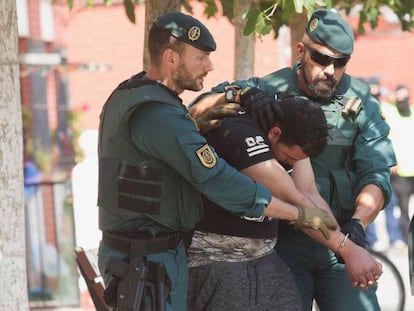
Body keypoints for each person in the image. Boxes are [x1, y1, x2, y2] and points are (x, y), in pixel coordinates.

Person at [96, 12, 336, 311]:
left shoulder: (133, 94)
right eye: (200, 58)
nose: (209, 66)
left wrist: (196, 125)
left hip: (149, 253)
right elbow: (219, 180)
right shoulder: (157, 114)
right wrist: (296, 214)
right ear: (171, 58)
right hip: (145, 260)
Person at [190, 8, 396, 311]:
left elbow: (376, 172)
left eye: (341, 63)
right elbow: (195, 112)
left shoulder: (361, 101)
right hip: (283, 245)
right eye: (323, 59)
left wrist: (358, 225)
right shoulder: (268, 90)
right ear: (301, 51)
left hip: (340, 237)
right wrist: (238, 95)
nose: (331, 70)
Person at [187, 95, 329, 311]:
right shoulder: (237, 133)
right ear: (274, 134)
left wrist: (346, 246)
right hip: (217, 260)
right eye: (290, 157)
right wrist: (343, 246)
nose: (292, 164)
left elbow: (308, 192)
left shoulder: (288, 129)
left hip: (264, 258)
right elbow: (266, 199)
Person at [382, 84, 414, 245]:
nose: (402, 99)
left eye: (405, 95)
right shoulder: (391, 112)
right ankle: (407, 241)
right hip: (400, 172)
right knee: (404, 211)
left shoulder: (413, 111)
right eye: (399, 96)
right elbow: (380, 96)